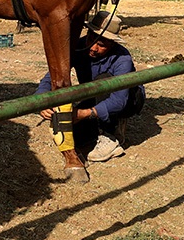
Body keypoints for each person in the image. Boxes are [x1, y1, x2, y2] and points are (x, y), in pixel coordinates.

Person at [35, 10, 146, 162]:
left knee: (104, 81)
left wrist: (83, 113)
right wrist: (42, 99)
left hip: (128, 99)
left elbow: (120, 99)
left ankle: (110, 134)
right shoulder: (78, 47)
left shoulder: (122, 59)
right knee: (75, 135)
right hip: (94, 96)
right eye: (91, 39)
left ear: (113, 44)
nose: (93, 47)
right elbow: (53, 75)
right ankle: (99, 127)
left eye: (101, 44)